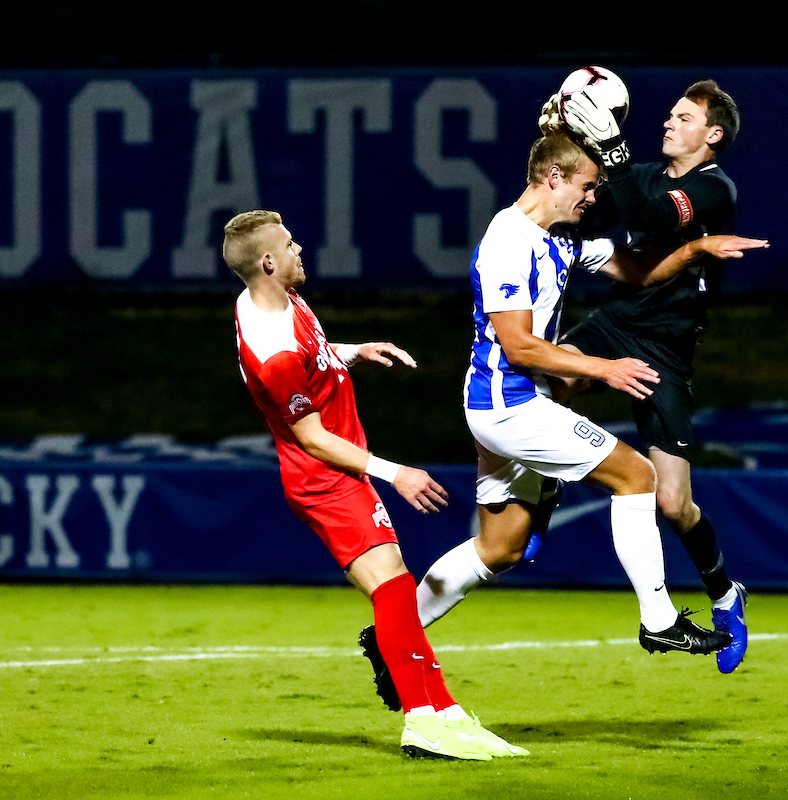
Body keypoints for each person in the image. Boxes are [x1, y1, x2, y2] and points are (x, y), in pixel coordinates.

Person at [402, 122, 766, 655]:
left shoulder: (560, 237)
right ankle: (660, 621)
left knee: (498, 548)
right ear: (554, 178)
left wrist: (693, 252)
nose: (594, 198)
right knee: (638, 477)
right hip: (509, 405)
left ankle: (394, 635)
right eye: (588, 187)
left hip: (507, 402)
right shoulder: (508, 241)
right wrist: (605, 368)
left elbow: (637, 272)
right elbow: (521, 347)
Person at [224, 209, 526, 761]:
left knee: (397, 592)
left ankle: (445, 714)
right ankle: (424, 720)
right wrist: (395, 472)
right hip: (325, 478)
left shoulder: (265, 303)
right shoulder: (273, 353)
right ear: (267, 262)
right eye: (290, 245)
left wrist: (352, 351)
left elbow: (311, 356)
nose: (300, 250)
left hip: (334, 474)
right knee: (393, 592)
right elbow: (312, 437)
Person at [556, 79, 751, 673]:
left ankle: (724, 594)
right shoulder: (638, 172)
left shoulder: (714, 190)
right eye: (668, 114)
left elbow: (655, 216)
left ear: (711, 135)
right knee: (541, 375)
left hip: (666, 349)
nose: (668, 123)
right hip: (616, 323)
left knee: (673, 502)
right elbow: (583, 211)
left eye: (683, 117)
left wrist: (615, 159)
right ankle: (533, 501)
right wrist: (561, 141)